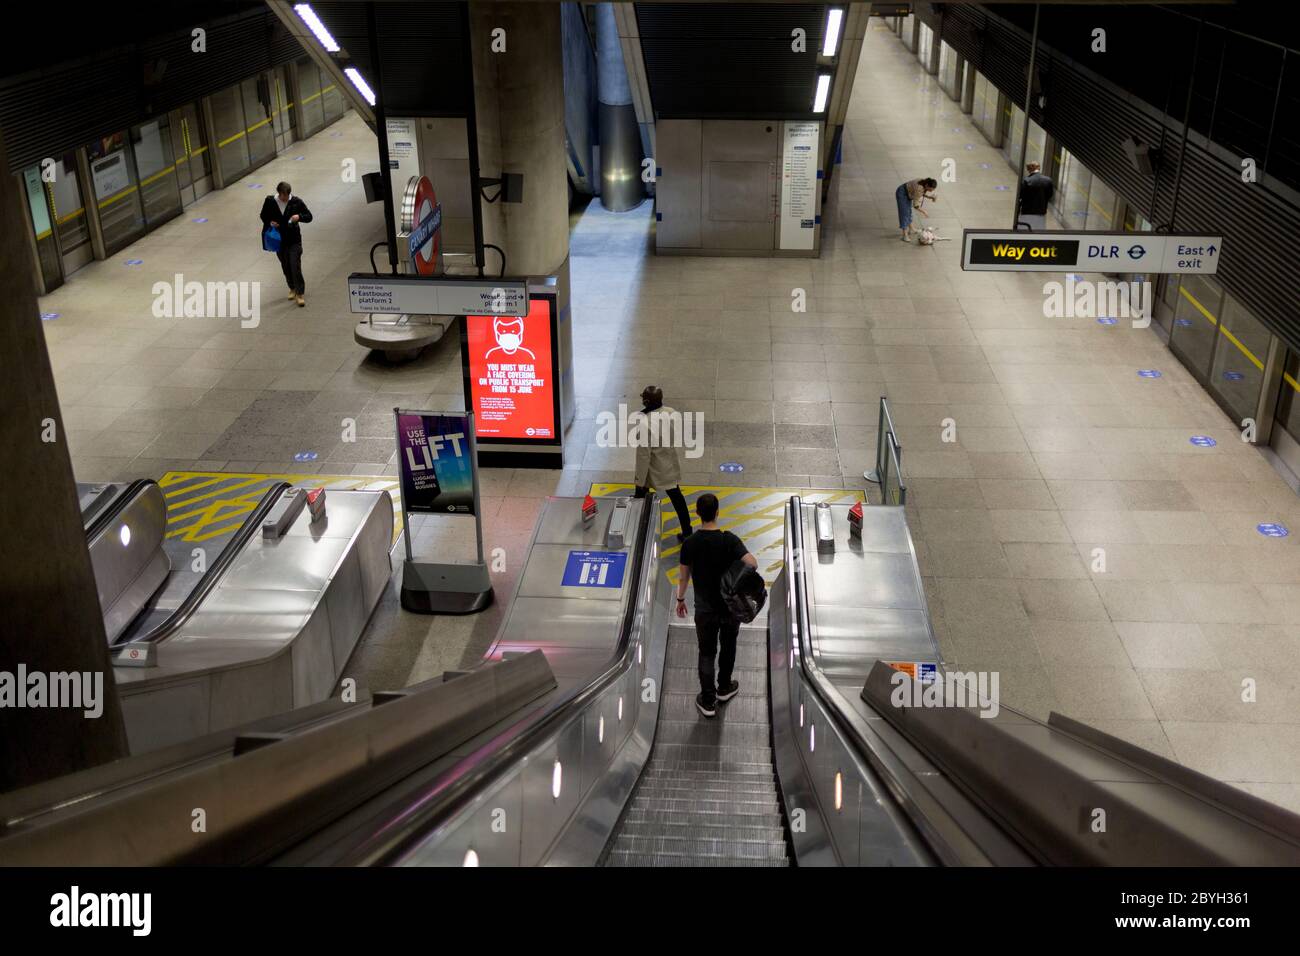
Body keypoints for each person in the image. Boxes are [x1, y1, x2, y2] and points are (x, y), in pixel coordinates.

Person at [676, 493, 758, 718]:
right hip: (730, 608)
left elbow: (683, 578)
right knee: (729, 645)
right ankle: (724, 687)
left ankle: (708, 700)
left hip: (704, 609)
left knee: (706, 652)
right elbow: (752, 562)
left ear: (697, 513)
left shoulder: (690, 544)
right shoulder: (729, 540)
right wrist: (734, 577)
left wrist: (680, 599)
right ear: (718, 512)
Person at [631, 386, 694, 544]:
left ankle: (634, 532)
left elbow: (643, 456)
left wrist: (640, 480)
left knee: (640, 499)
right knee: (677, 497)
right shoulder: (672, 413)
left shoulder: (645, 425)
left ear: (646, 401)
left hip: (653, 469)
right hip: (669, 464)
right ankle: (687, 531)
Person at [260, 181, 313, 307]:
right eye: (283, 196)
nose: (286, 199)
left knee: (295, 265)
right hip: (279, 240)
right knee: (285, 265)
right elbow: (263, 216)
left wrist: (298, 217)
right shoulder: (270, 201)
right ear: (279, 194)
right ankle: (292, 287)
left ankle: (300, 293)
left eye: (287, 196)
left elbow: (309, 216)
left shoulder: (296, 202)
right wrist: (270, 222)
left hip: (294, 239)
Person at [896, 177, 937, 242]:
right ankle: (905, 235)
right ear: (927, 185)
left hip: (908, 193)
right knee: (904, 214)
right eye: (930, 189)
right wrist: (924, 212)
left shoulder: (923, 182)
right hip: (902, 193)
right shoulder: (919, 188)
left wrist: (930, 197)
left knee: (908, 211)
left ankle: (912, 228)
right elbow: (916, 205)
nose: (931, 191)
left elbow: (921, 193)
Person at [1018, 162, 1055, 232]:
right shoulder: (1048, 180)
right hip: (1041, 212)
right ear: (1039, 168)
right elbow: (1050, 195)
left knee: (1025, 232)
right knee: (1039, 232)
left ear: (1029, 170)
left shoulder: (1026, 180)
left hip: (1027, 212)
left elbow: (1021, 195)